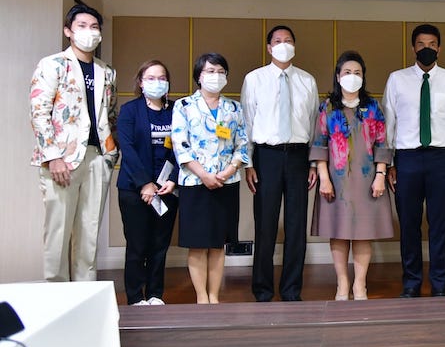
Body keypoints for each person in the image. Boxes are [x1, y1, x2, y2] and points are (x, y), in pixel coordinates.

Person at [30, 3, 119, 282]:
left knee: (89, 232)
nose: (89, 32)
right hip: (61, 160)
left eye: (94, 27)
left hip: (98, 157)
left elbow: (110, 115)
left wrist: (110, 155)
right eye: (82, 26)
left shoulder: (107, 72)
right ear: (68, 31)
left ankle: (85, 293)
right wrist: (52, 156)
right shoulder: (53, 64)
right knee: (58, 231)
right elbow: (39, 112)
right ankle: (57, 294)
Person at [383, 23, 445, 297]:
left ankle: (439, 285)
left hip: (441, 159)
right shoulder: (396, 79)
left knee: (440, 225)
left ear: (439, 48)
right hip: (406, 159)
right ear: (413, 48)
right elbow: (389, 123)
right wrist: (389, 163)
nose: (426, 49)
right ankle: (411, 284)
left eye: (432, 44)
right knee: (409, 225)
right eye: (421, 44)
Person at [241, 25, 319, 302]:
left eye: (288, 40)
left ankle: (291, 289)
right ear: (269, 47)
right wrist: (248, 163)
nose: (283, 44)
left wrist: (313, 164)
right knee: (266, 224)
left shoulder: (307, 81)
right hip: (266, 156)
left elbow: (313, 123)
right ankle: (262, 290)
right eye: (277, 41)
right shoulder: (254, 79)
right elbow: (246, 122)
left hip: (299, 155)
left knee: (296, 226)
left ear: (294, 46)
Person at [310, 51, 393, 301]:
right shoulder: (327, 107)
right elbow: (319, 144)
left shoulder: (373, 107)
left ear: (363, 77)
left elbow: (382, 144)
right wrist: (324, 178)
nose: (352, 76)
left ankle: (360, 285)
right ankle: (342, 284)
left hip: (367, 179)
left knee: (363, 232)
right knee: (338, 231)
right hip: (335, 180)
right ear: (338, 76)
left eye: (357, 73)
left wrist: (380, 175)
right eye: (347, 72)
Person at [172, 53, 248, 303]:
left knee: (218, 243)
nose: (216, 76)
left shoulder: (234, 108)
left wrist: (228, 172)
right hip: (195, 183)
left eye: (221, 72)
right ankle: (201, 297)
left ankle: (214, 296)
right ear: (199, 76)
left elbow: (242, 144)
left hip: (226, 183)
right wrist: (204, 175)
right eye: (210, 71)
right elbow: (180, 145)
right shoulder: (184, 106)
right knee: (197, 244)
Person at [116, 60, 179, 305]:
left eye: (162, 78)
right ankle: (135, 297)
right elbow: (128, 149)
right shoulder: (130, 110)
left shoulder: (177, 110)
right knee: (137, 245)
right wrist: (145, 184)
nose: (157, 82)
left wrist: (172, 180)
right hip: (134, 189)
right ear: (141, 83)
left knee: (160, 245)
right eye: (150, 78)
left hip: (166, 189)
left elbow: (183, 147)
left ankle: (154, 294)